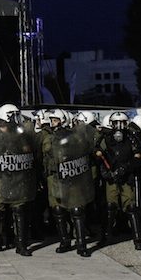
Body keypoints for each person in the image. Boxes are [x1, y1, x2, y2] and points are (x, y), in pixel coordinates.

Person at [0, 104, 36, 256]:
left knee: (18, 209)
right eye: (14, 115)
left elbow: (28, 151)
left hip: (16, 175)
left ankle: (21, 244)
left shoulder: (20, 133)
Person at [43, 110, 93, 257]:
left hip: (71, 173)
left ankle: (81, 243)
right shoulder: (49, 137)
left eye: (55, 120)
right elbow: (46, 151)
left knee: (76, 209)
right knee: (57, 209)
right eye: (51, 121)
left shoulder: (74, 135)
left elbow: (83, 150)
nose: (53, 123)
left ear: (63, 120)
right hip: (54, 175)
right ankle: (65, 240)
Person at [96, 111, 141, 250]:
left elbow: (139, 157)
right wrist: (106, 172)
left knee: (131, 207)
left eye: (122, 123)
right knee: (110, 207)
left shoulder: (131, 138)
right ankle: (106, 237)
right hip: (111, 177)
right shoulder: (105, 139)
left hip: (127, 177)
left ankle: (137, 238)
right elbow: (98, 156)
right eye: (116, 123)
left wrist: (126, 168)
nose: (119, 127)